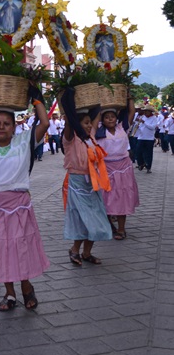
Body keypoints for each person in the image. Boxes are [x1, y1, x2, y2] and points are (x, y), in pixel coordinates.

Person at [0, 97, 50, 311]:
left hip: (16, 208)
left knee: (19, 248)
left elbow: (44, 123)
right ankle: (9, 292)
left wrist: (36, 97)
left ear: (14, 127)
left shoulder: (23, 142)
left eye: (7, 123)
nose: (1, 127)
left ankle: (26, 286)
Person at [62, 106, 112, 266]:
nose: (90, 126)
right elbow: (69, 124)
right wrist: (68, 105)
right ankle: (75, 250)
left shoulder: (90, 137)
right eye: (86, 123)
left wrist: (99, 102)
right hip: (77, 183)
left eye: (90, 122)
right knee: (82, 219)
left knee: (96, 218)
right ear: (77, 124)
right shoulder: (70, 139)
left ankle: (87, 252)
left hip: (92, 183)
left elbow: (97, 114)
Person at [97, 102, 140, 240]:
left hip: (123, 168)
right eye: (106, 117)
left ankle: (121, 229)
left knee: (122, 198)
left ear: (117, 118)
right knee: (106, 198)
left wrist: (129, 98)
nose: (110, 119)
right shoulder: (98, 130)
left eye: (112, 116)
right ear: (102, 120)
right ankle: (110, 226)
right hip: (106, 168)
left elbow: (131, 112)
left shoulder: (123, 128)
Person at [136, 104, 157, 172]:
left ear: (150, 111)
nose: (145, 112)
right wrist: (138, 126)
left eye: (147, 111)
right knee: (138, 151)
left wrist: (144, 122)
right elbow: (141, 126)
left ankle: (148, 167)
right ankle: (141, 163)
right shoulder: (143, 117)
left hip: (149, 138)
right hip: (141, 137)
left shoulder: (154, 118)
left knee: (148, 153)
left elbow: (152, 127)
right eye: (145, 111)